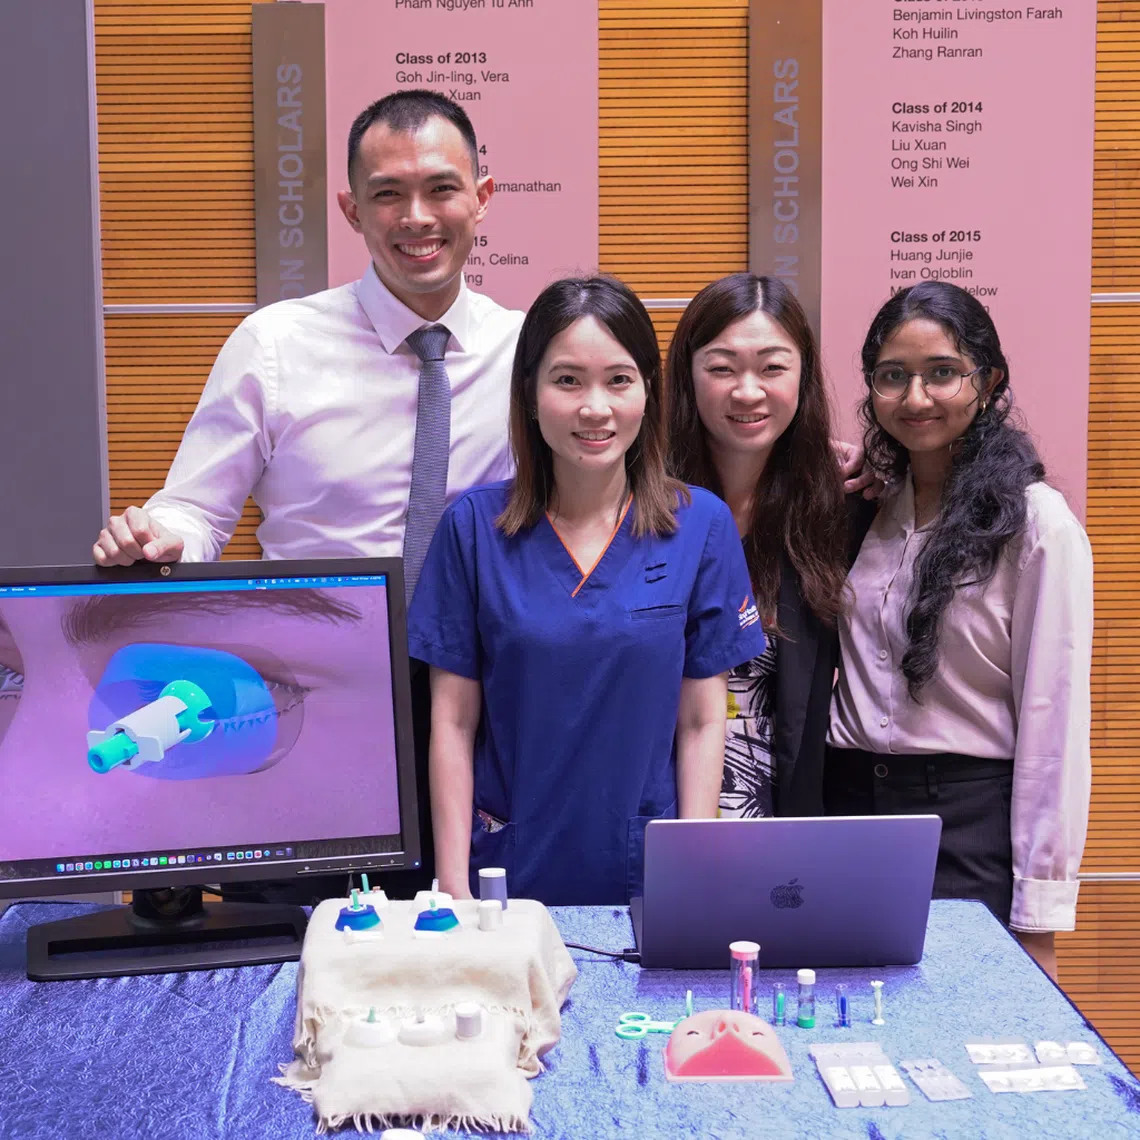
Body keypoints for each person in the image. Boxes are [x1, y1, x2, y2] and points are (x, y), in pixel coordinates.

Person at [91, 89, 522, 901]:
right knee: (303, 947)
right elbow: (198, 508)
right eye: (388, 194)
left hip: (483, 703)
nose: (416, 216)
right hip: (317, 694)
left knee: (474, 940)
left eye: (440, 188)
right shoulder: (277, 344)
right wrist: (159, 537)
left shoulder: (528, 350)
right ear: (350, 208)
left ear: (481, 197)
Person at [406, 276, 767, 905]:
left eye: (619, 380)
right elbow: (454, 723)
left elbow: (703, 719)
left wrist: (696, 871)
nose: (594, 408)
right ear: (530, 393)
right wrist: (452, 885)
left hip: (650, 877)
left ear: (649, 392)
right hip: (503, 876)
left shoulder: (700, 526)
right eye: (567, 380)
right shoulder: (471, 529)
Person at [826, 281, 1092, 981]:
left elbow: (1053, 728)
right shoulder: (866, 510)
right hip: (846, 814)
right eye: (893, 376)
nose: (916, 398)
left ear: (988, 380)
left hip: (966, 827)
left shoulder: (1036, 525)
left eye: (942, 372)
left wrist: (1038, 915)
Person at [666, 273, 857, 818]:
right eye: (722, 368)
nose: (747, 392)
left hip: (789, 817)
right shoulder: (640, 510)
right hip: (659, 809)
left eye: (773, 367)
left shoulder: (836, 510)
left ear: (803, 375)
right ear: (688, 375)